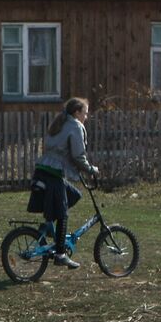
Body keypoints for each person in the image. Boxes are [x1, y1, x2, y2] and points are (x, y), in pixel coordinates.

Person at [28, 97, 100, 269]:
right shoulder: (75, 126)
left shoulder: (59, 123)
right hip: (53, 174)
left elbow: (58, 151)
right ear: (77, 112)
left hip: (43, 170)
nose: (86, 117)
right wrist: (91, 169)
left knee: (74, 195)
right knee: (62, 214)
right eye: (85, 113)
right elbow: (78, 155)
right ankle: (60, 254)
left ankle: (48, 226)